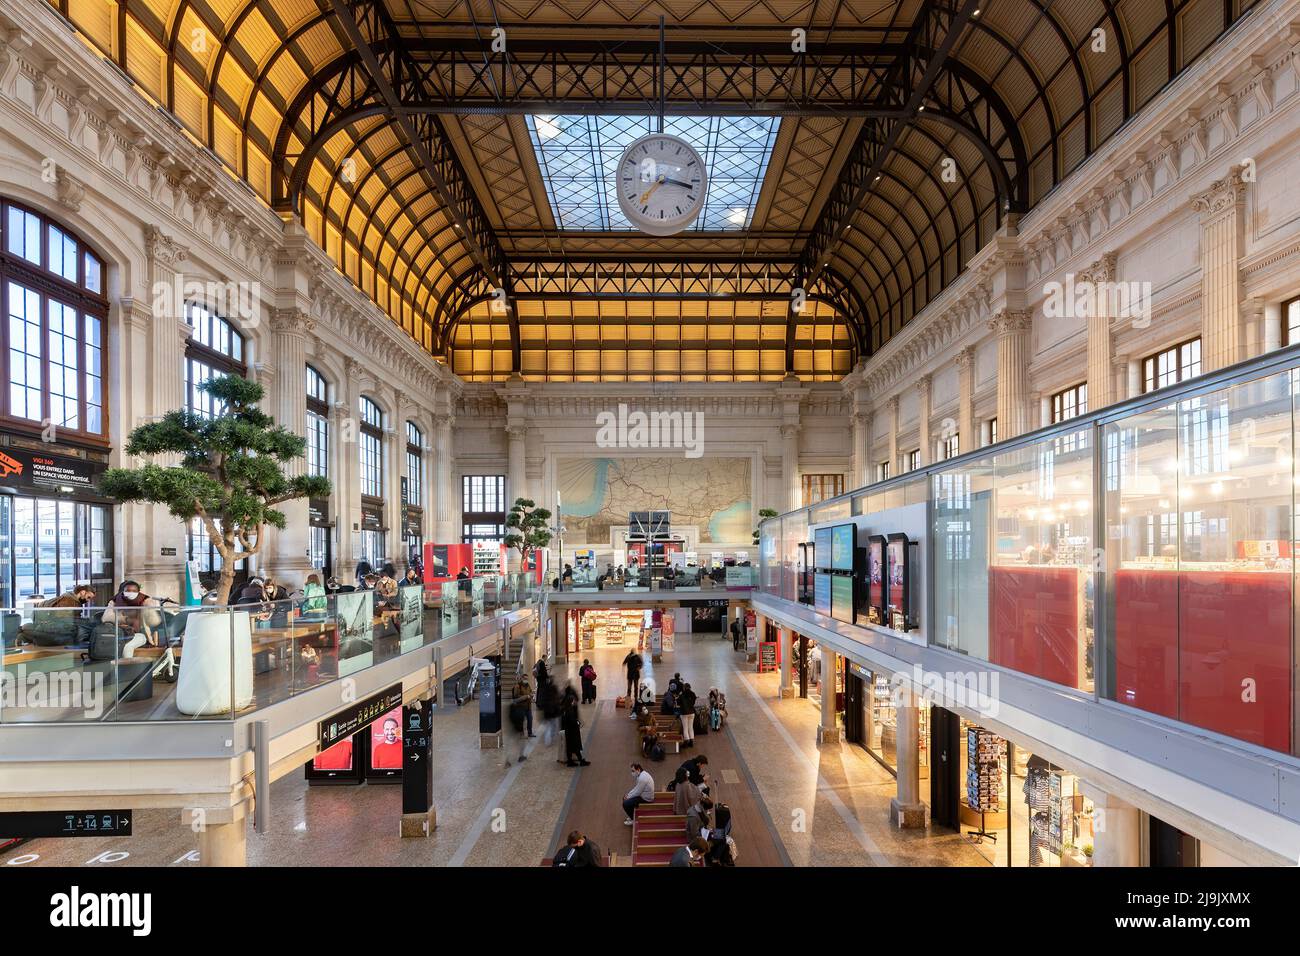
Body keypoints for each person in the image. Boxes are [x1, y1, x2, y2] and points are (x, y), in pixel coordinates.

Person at [108, 580, 162, 646]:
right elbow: (107, 618)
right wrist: (125, 619)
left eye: (133, 591)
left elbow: (154, 621)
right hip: (119, 635)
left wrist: (148, 608)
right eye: (127, 591)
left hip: (138, 635)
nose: (130, 594)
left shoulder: (142, 602)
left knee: (127, 646)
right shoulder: (115, 602)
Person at [560, 694, 590, 767]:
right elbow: (572, 720)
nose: (574, 702)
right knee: (576, 746)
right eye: (573, 701)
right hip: (572, 731)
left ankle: (571, 761)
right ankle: (580, 761)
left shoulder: (566, 709)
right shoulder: (569, 710)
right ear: (571, 701)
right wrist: (577, 722)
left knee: (570, 747)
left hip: (569, 731)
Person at [678, 682, 698, 748]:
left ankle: (686, 741)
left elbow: (678, 702)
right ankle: (691, 742)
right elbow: (693, 702)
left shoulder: (682, 695)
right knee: (691, 727)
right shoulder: (693, 694)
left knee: (685, 728)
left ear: (684, 688)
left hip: (684, 713)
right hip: (692, 712)